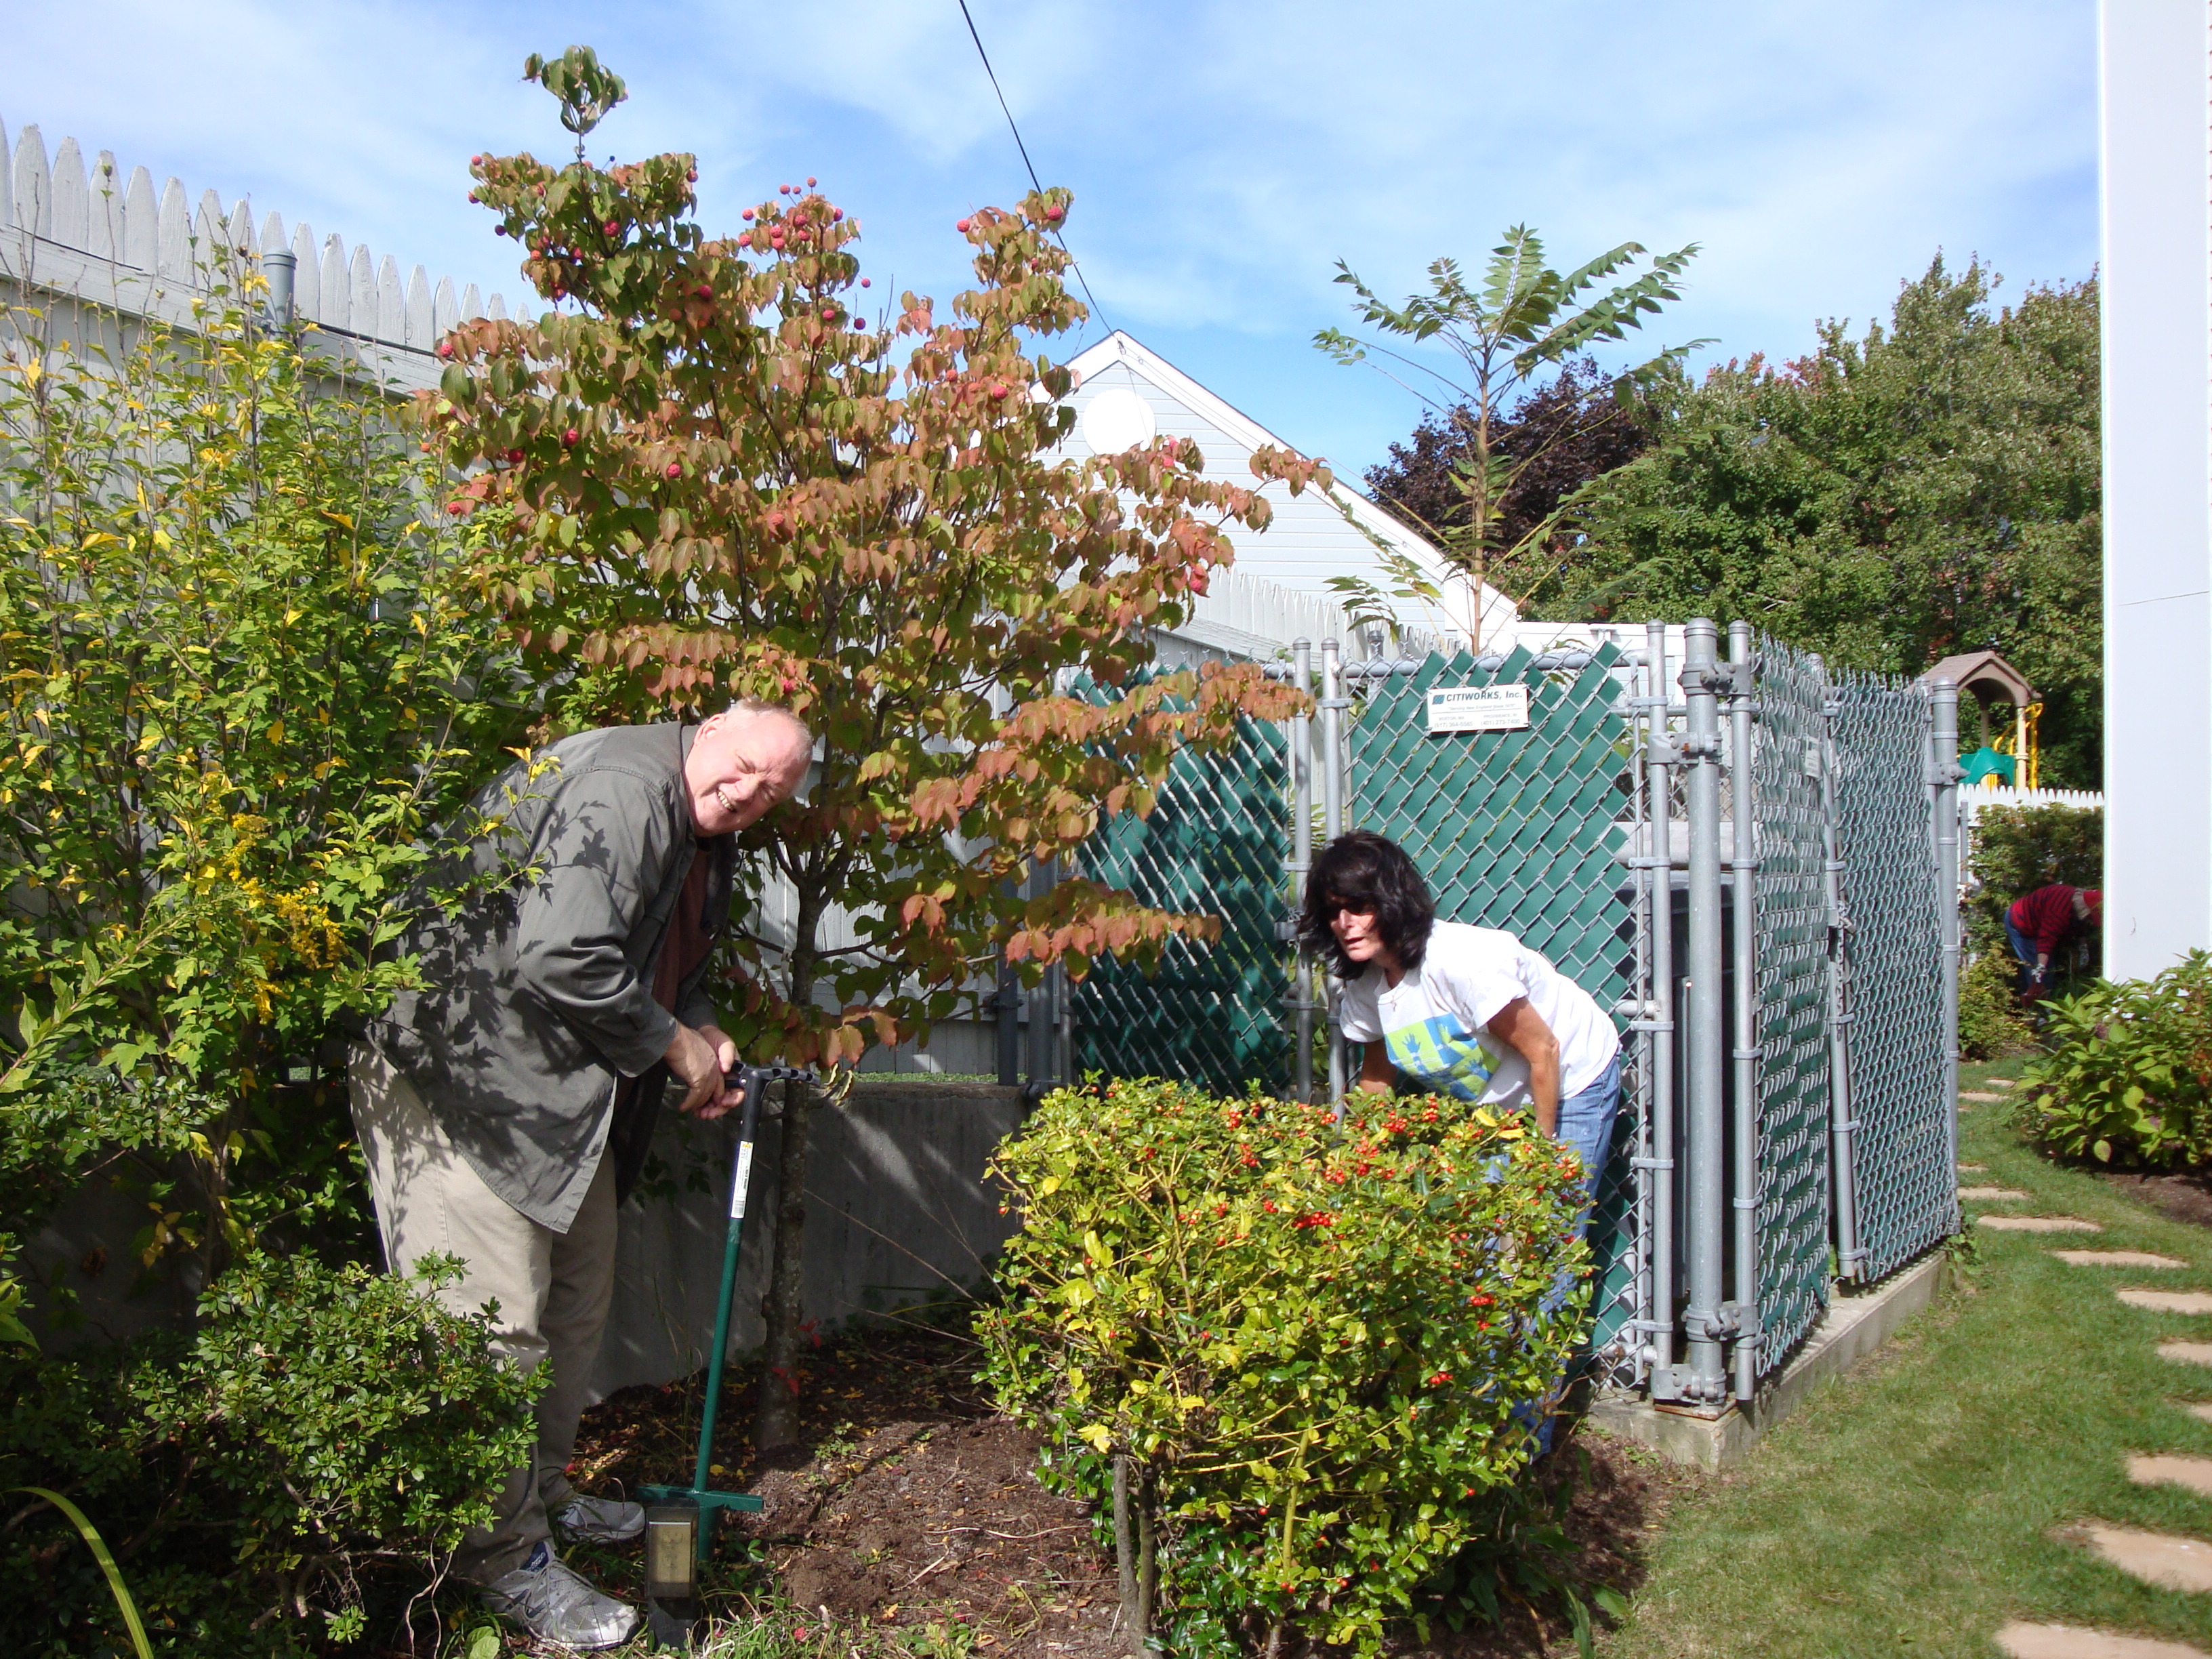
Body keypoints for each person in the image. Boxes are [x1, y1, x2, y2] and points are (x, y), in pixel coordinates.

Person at [350, 701, 812, 1650]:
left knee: (574, 1305)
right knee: (487, 1333)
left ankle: (543, 1497)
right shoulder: (628, 788)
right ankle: (496, 1561)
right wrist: (673, 1047)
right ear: (713, 726)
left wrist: (704, 1022)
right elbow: (561, 951)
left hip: (559, 1097)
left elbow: (663, 963)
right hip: (466, 1084)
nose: (749, 792)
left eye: (774, 790)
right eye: (745, 765)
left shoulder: (699, 835)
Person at [1298, 830, 1622, 1450]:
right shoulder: (1367, 988)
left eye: (1358, 906)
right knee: (1476, 1259)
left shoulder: (1460, 962)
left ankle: (1526, 1445)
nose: (1345, 923)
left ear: (1390, 901)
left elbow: (1543, 1049)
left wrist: (1543, 1156)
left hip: (1572, 1079)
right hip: (1501, 1104)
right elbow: (1376, 1079)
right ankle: (1480, 1420)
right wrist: (1346, 1168)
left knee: (1545, 1255)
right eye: (1333, 910)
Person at [2005, 883, 2101, 998]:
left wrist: (2083, 947)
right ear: (2084, 908)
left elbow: (2080, 925)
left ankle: (2029, 1003)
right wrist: (2041, 967)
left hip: (2037, 923)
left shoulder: (2077, 901)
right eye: (2090, 916)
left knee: (2041, 970)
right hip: (2021, 923)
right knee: (2042, 973)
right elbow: (2046, 940)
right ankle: (2039, 1011)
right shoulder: (2058, 912)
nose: (2089, 919)